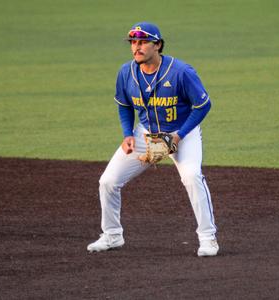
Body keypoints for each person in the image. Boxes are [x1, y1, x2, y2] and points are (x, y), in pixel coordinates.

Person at [87, 22, 219, 257]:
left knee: (191, 177)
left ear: (157, 45)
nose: (136, 47)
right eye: (133, 43)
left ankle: (208, 238)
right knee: (108, 181)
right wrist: (128, 134)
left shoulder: (181, 72)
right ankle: (112, 235)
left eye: (142, 42)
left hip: (182, 133)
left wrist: (178, 136)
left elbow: (203, 105)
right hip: (145, 133)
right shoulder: (126, 72)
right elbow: (124, 106)